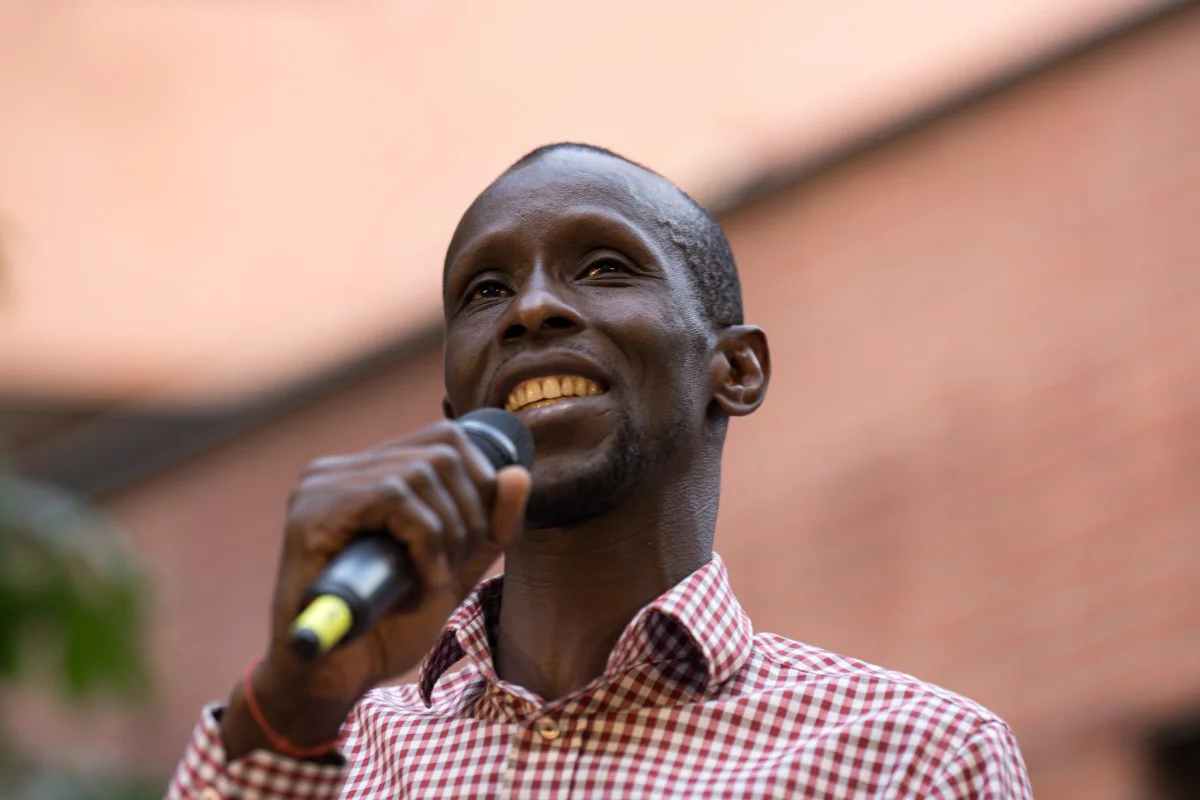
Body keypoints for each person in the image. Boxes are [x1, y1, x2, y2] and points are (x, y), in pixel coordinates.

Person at [166, 143, 1032, 799]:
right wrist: (291, 700)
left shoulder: (911, 758)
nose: (532, 307)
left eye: (604, 266)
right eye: (484, 291)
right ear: (456, 414)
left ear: (736, 370)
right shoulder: (326, 758)